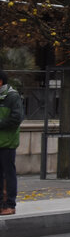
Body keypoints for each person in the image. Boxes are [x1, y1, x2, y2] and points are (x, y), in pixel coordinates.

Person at [0, 71, 23, 216]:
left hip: (8, 142)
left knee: (8, 174)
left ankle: (9, 204)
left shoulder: (12, 96)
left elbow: (16, 118)